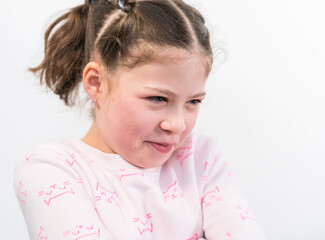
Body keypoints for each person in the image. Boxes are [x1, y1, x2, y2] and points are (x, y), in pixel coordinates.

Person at [14, 0, 268, 239]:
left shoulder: (202, 158)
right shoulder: (50, 170)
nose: (177, 125)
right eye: (158, 99)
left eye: (193, 102)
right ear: (96, 83)